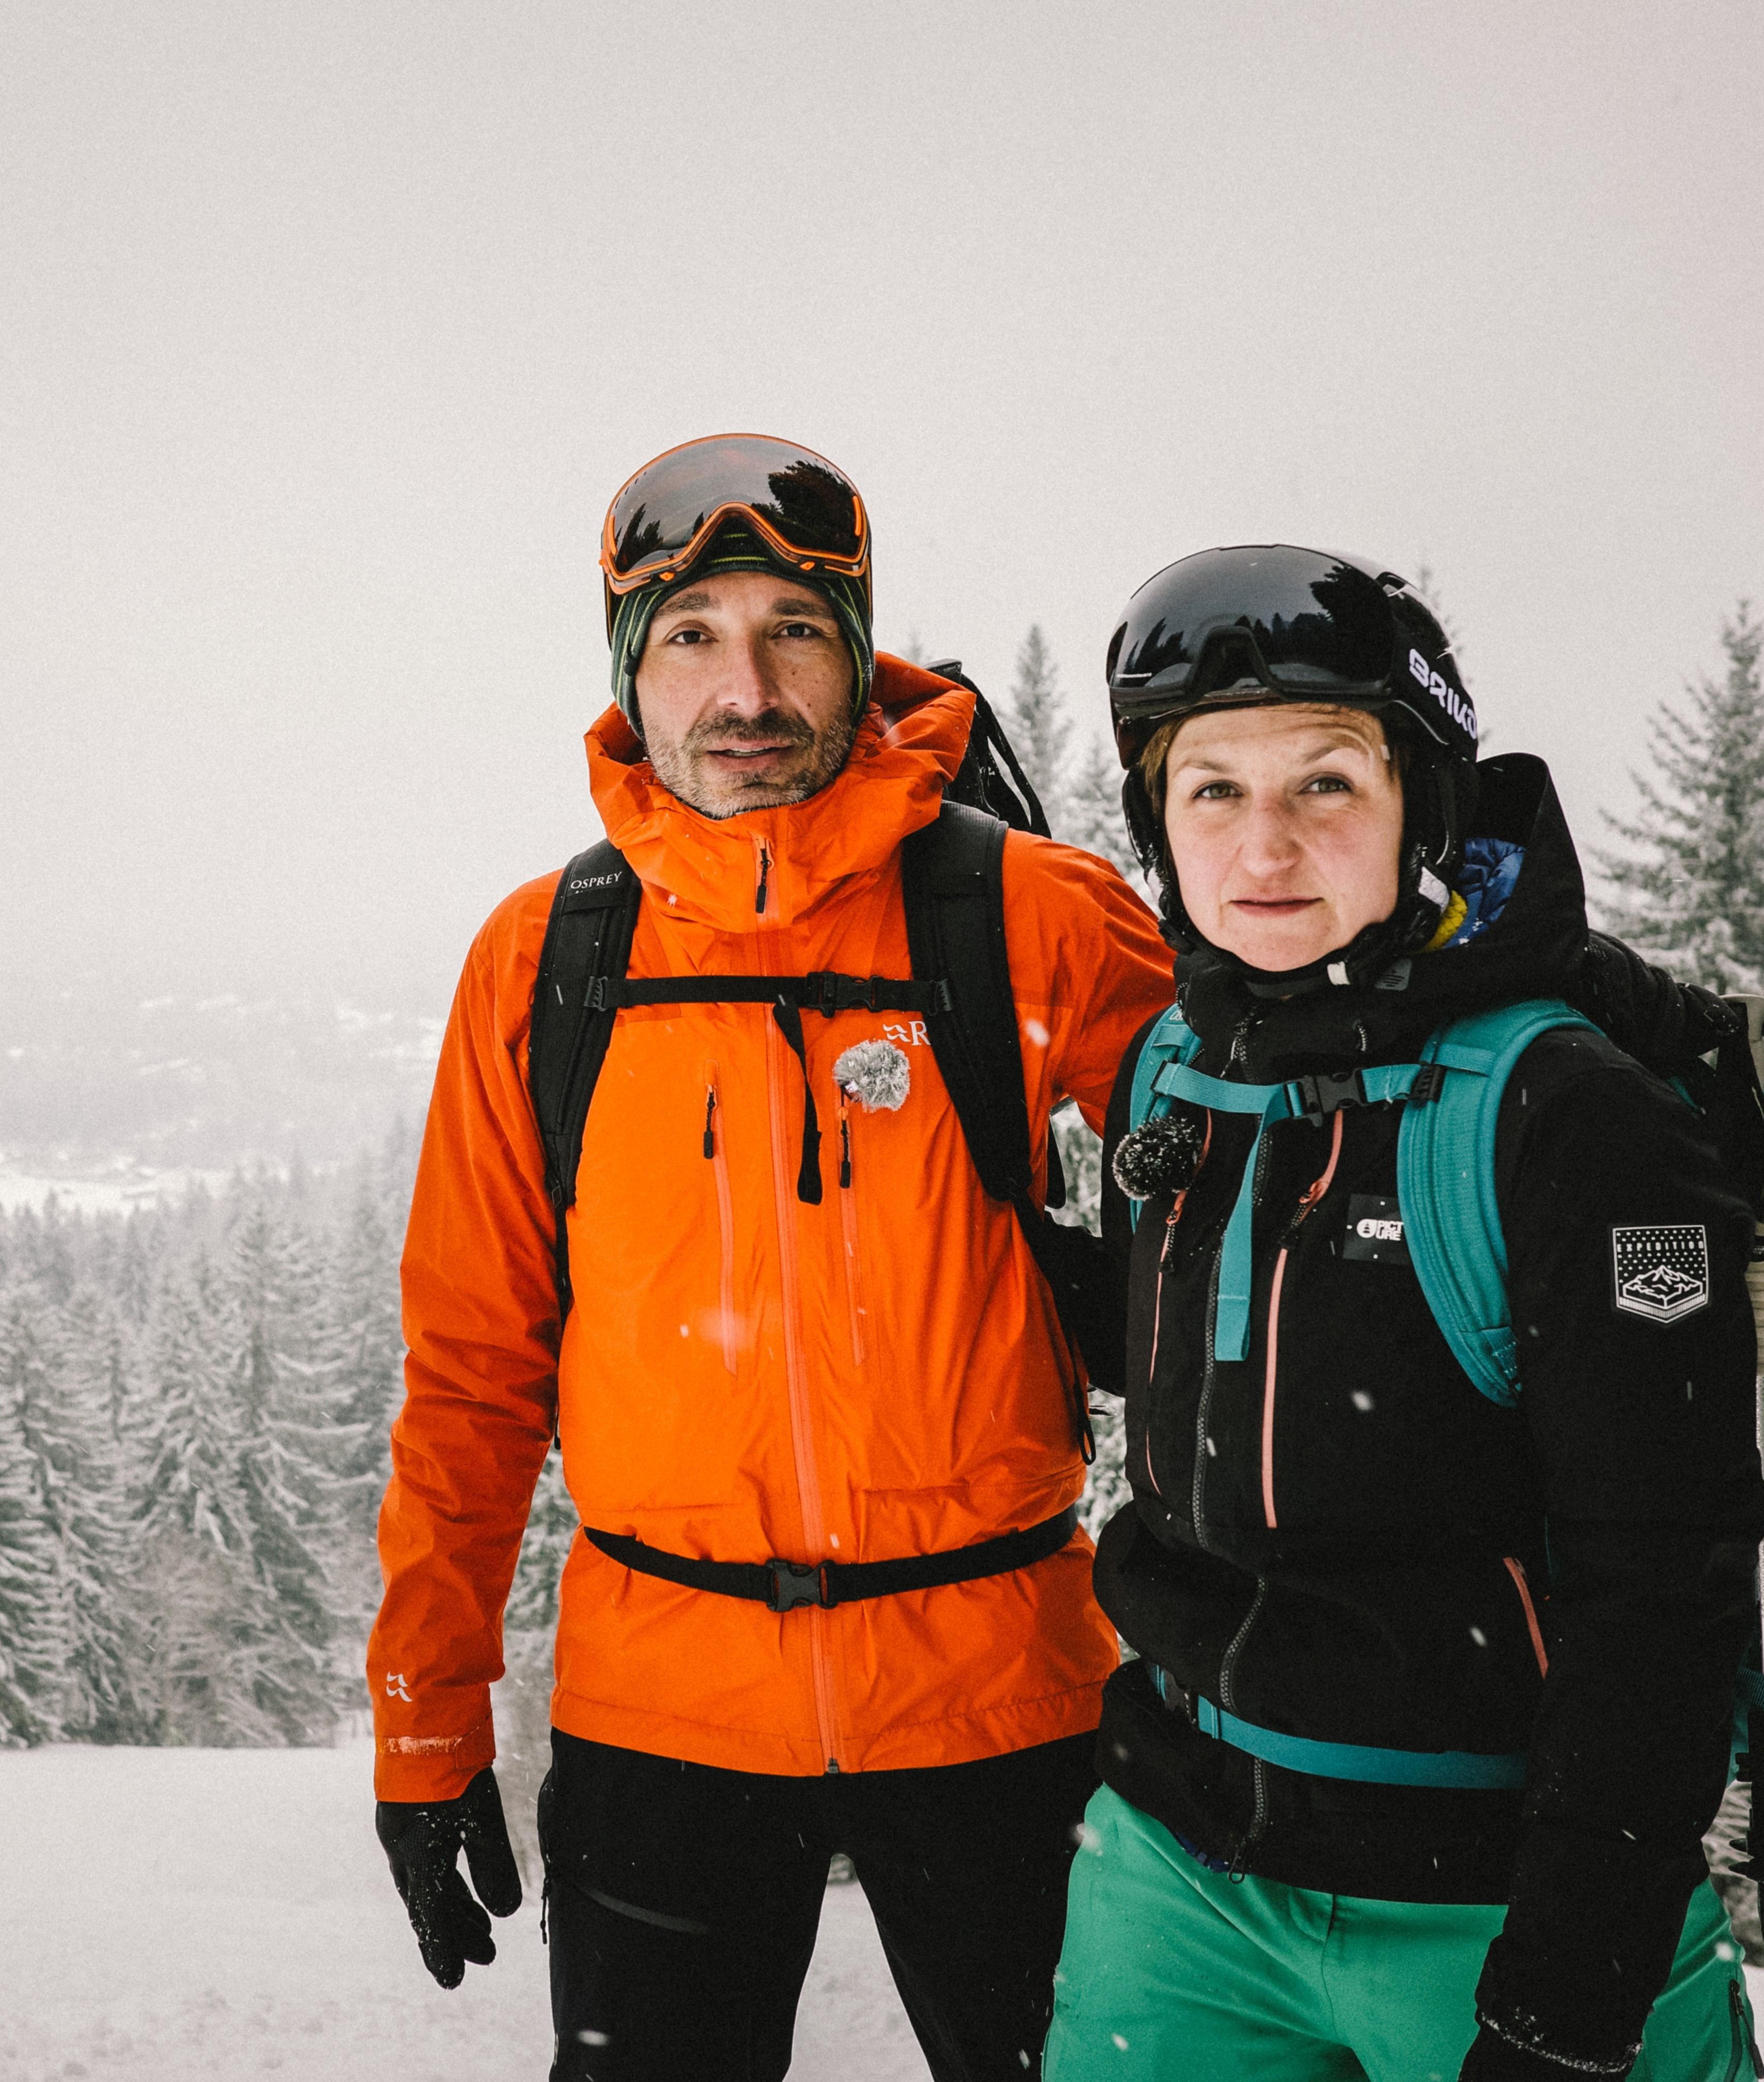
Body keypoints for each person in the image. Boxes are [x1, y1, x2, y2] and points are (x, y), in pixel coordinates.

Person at [366, 433, 1179, 2081]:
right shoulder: (545, 961)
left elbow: (1280, 1200)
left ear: (859, 653)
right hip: (662, 1719)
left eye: (796, 630)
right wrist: (426, 1723)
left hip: (1005, 1698)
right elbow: (471, 1376)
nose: (747, 689)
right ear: (631, 672)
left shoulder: (1028, 912)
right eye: (693, 635)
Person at [1043, 547, 1764, 2081]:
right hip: (1181, 1870)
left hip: (1489, 1895)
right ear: (1159, 827)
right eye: (1212, 791)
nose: (1265, 846)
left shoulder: (1570, 1116)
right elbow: (1208, 1368)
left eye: (1326, 782)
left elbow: (1664, 1576)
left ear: (1421, 807)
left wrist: (1573, 1994)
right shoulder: (1174, 1065)